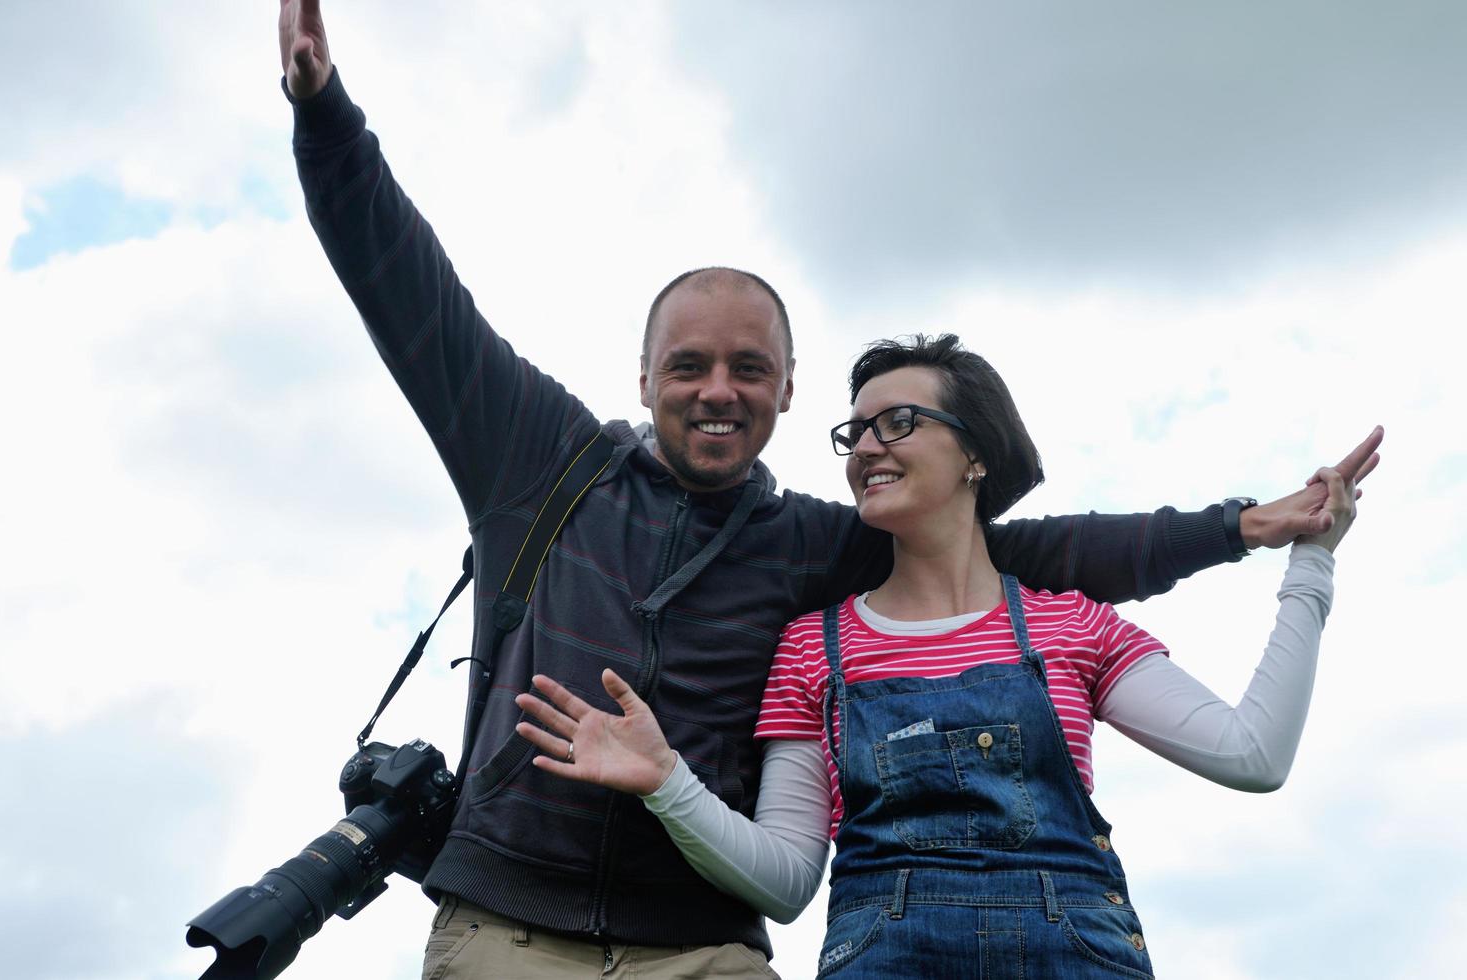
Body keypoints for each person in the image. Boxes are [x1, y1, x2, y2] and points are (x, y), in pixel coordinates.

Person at [276, 1, 1381, 974]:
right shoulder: (542, 462)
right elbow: (409, 295)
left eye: (748, 368)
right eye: (688, 366)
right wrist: (326, 120)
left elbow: (1021, 557)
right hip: (505, 932)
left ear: (787, 388)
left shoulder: (818, 544)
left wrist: (1245, 527)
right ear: (644, 377)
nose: (718, 391)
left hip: (708, 949)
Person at [516, 335, 1377, 978]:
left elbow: (1253, 755)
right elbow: (784, 882)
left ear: (974, 453)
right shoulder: (814, 649)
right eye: (854, 433)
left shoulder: (1071, 626)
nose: (868, 448)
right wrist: (668, 779)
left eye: (899, 422)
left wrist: (1312, 565)